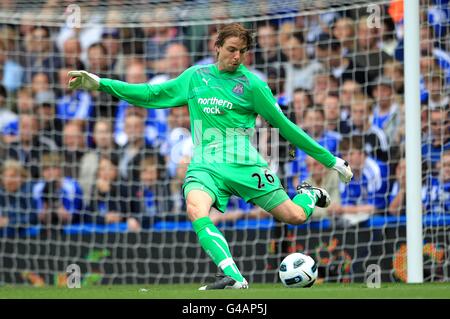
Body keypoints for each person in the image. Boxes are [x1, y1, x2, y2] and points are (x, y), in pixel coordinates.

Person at [67, 23, 353, 290]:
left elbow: (286, 127)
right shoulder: (195, 77)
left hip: (245, 165)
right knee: (195, 209)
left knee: (295, 216)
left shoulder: (253, 86)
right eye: (231, 49)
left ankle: (308, 193)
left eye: (242, 52)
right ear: (216, 47)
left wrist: (331, 161)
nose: (237, 57)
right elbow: (151, 94)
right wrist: (101, 83)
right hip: (205, 165)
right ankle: (232, 275)